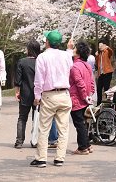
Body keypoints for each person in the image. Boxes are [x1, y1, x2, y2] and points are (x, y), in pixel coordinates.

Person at [30, 30, 73, 168]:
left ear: (47, 42)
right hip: (64, 95)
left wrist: (37, 96)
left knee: (44, 128)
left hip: (49, 95)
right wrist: (69, 49)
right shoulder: (66, 56)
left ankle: (41, 158)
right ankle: (60, 158)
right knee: (63, 129)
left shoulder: (42, 57)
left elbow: (39, 80)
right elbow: (70, 65)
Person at [69, 41, 95, 155]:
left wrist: (84, 96)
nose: (73, 50)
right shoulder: (87, 65)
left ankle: (82, 147)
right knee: (82, 123)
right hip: (85, 99)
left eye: (74, 48)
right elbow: (91, 81)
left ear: (78, 53)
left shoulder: (75, 67)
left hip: (76, 98)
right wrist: (89, 94)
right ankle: (87, 145)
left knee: (79, 124)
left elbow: (80, 83)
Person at [14, 40, 40, 148]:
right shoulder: (40, 61)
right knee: (37, 118)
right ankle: (35, 140)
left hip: (25, 93)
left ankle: (19, 141)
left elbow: (18, 80)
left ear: (28, 50)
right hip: (38, 94)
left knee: (22, 118)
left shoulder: (22, 62)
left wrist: (17, 92)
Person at [95, 39, 115, 105]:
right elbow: (96, 63)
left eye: (101, 45)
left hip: (107, 73)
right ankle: (99, 103)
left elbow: (111, 52)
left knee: (106, 89)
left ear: (104, 45)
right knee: (98, 88)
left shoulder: (107, 51)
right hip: (101, 74)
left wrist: (107, 47)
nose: (100, 47)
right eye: (99, 45)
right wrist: (97, 56)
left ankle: (108, 103)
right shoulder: (99, 53)